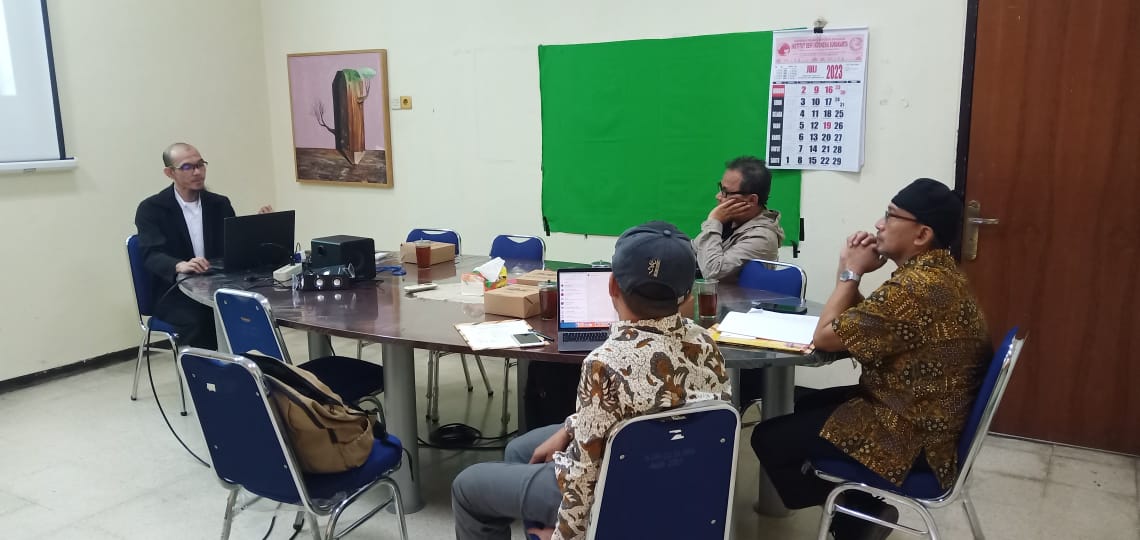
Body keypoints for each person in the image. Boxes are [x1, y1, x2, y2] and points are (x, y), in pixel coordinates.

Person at [452, 221, 731, 540]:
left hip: (615, 490)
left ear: (612, 285)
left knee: (466, 487)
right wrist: (570, 428)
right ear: (686, 296)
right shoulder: (705, 341)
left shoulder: (604, 362)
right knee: (520, 449)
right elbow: (653, 408)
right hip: (672, 475)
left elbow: (583, 477)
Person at [750, 178, 990, 540]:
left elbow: (824, 337)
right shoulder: (937, 275)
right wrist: (849, 274)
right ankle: (859, 511)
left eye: (891, 216)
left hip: (912, 437)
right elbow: (874, 324)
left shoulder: (915, 288)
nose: (879, 224)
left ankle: (858, 518)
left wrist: (850, 274)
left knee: (770, 438)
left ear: (922, 234)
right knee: (804, 405)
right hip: (924, 417)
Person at [134, 142, 271, 349]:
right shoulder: (152, 209)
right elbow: (151, 254)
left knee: (256, 308)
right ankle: (204, 369)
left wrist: (259, 228)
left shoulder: (219, 204)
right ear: (170, 173)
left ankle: (247, 366)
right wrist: (179, 265)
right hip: (175, 293)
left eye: (200, 165)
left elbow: (232, 249)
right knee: (200, 320)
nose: (197, 172)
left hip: (217, 285)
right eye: (187, 167)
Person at [692, 156, 785, 281]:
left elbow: (712, 273)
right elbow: (694, 250)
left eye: (725, 192)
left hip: (726, 294)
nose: (718, 196)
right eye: (720, 188)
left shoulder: (762, 238)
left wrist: (714, 222)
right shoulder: (732, 221)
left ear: (751, 200)